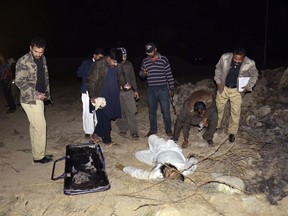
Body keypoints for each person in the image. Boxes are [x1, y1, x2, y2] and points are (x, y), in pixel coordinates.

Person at [15, 37, 53, 164]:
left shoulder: (43, 58)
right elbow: (20, 82)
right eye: (36, 51)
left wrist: (46, 93)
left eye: (41, 52)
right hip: (30, 99)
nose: (38, 54)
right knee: (40, 126)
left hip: (40, 97)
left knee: (34, 126)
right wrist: (35, 94)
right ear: (30, 48)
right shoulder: (23, 61)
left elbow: (44, 76)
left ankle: (37, 153)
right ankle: (39, 157)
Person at [87, 48, 130, 145]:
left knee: (108, 115)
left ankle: (95, 135)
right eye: (114, 62)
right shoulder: (99, 64)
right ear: (109, 58)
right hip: (102, 93)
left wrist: (124, 84)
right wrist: (92, 96)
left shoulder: (117, 63)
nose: (116, 64)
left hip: (113, 92)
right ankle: (107, 140)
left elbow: (121, 75)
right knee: (105, 116)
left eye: (117, 63)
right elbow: (91, 81)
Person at [214, 48, 258, 142]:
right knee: (218, 109)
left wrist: (249, 86)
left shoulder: (250, 63)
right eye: (235, 59)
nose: (237, 61)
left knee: (235, 112)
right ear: (232, 55)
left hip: (237, 91)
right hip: (223, 88)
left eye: (240, 60)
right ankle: (216, 127)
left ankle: (232, 132)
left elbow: (255, 75)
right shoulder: (225, 57)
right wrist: (218, 81)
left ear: (244, 58)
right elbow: (218, 68)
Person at [116, 134, 198, 181]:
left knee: (138, 155)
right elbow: (193, 164)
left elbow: (138, 173)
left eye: (168, 174)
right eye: (172, 171)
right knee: (151, 137)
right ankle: (153, 148)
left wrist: (123, 168)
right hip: (167, 147)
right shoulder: (185, 170)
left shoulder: (155, 175)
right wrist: (192, 156)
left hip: (155, 159)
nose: (168, 170)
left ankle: (152, 151)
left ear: (166, 178)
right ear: (178, 171)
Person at [139, 42, 174, 137]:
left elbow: (169, 74)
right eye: (147, 52)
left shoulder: (163, 60)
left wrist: (171, 88)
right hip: (151, 89)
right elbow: (141, 74)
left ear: (155, 49)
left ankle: (168, 129)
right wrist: (144, 73)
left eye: (150, 52)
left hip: (163, 89)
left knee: (165, 111)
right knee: (152, 111)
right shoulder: (145, 61)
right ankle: (153, 130)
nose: (149, 54)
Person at [77, 48, 105, 138]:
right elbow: (79, 74)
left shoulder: (103, 64)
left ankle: (98, 130)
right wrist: (89, 75)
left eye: (102, 57)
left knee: (98, 110)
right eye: (99, 57)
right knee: (87, 111)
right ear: (94, 55)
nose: (100, 59)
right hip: (86, 91)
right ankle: (88, 131)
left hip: (98, 90)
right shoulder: (86, 63)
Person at [115, 47, 140, 139]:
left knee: (131, 112)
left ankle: (134, 132)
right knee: (120, 112)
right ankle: (123, 129)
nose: (124, 58)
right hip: (117, 92)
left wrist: (136, 90)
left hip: (128, 92)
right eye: (122, 56)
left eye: (125, 56)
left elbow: (133, 78)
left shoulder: (129, 65)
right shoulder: (114, 65)